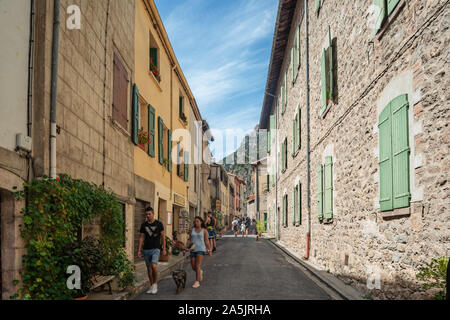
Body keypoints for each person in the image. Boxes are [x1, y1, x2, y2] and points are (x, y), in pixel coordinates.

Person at [138, 207, 166, 295]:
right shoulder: (143, 225)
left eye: (149, 214)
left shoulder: (159, 224)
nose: (148, 216)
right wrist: (139, 250)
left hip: (156, 248)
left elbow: (163, 237)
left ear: (153, 213)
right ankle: (151, 285)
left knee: (154, 266)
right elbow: (141, 238)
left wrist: (164, 248)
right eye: (146, 214)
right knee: (149, 269)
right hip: (146, 249)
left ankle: (155, 284)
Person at [184, 216, 211, 288]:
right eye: (195, 221)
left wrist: (209, 249)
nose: (196, 223)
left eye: (197, 221)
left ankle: (197, 281)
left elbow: (206, 241)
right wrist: (186, 247)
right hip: (192, 249)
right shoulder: (192, 230)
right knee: (193, 266)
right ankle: (199, 272)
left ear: (201, 222)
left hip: (201, 249)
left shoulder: (204, 230)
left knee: (197, 265)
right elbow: (189, 240)